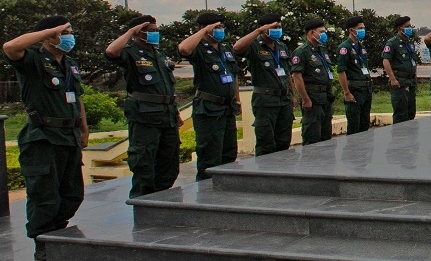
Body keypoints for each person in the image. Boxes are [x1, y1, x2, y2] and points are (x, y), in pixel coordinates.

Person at [2, 16, 89, 261]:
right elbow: (10, 48)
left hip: (69, 136)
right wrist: (49, 30)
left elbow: (76, 96)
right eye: (66, 32)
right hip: (44, 138)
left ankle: (56, 232)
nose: (70, 36)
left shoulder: (69, 63)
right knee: (44, 195)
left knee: (72, 193)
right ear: (50, 36)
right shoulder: (33, 60)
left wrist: (83, 129)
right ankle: (43, 244)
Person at [105, 15, 180, 198]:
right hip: (145, 116)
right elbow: (111, 52)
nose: (155, 34)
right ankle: (142, 205)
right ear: (138, 34)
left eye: (156, 30)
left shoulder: (159, 54)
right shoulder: (131, 53)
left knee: (169, 164)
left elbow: (166, 87)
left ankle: (162, 201)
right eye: (150, 31)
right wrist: (131, 31)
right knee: (144, 164)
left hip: (167, 114)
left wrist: (175, 110)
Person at [177, 12, 240, 181]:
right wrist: (202, 32)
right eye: (217, 27)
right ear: (206, 29)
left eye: (221, 27)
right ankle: (206, 194)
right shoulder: (198, 48)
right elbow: (183, 49)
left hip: (227, 107)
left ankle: (225, 189)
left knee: (229, 153)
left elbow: (233, 75)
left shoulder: (225, 49)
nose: (221, 30)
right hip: (209, 108)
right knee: (210, 155)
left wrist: (237, 98)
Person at [234, 13, 294, 155]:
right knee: (266, 142)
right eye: (274, 27)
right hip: (266, 101)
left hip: (284, 100)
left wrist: (293, 95)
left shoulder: (281, 46)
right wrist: (257, 32)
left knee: (283, 141)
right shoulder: (254, 45)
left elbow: (287, 72)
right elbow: (237, 48)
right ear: (264, 28)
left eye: (279, 26)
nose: (278, 29)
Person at [291, 18, 335, 145]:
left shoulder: (322, 50)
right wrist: (305, 99)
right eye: (321, 32)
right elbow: (297, 77)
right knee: (312, 134)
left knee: (325, 135)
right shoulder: (302, 51)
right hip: (313, 97)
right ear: (311, 33)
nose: (323, 35)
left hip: (325, 97)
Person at [337, 15, 374, 134]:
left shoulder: (361, 47)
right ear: (351, 30)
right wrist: (346, 92)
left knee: (364, 125)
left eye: (363, 28)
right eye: (360, 28)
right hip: (355, 90)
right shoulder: (345, 47)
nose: (363, 30)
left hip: (366, 90)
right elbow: (341, 71)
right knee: (354, 127)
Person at [382, 15, 419, 124]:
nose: (410, 29)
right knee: (401, 115)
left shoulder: (410, 43)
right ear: (400, 28)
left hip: (410, 82)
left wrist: (415, 79)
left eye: (410, 26)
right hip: (400, 82)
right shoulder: (392, 43)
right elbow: (386, 61)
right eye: (407, 26)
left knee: (411, 113)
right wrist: (393, 79)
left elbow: (413, 62)